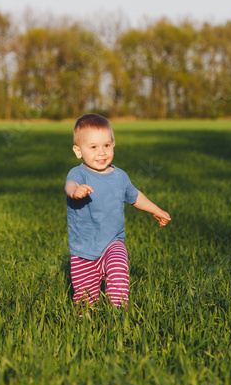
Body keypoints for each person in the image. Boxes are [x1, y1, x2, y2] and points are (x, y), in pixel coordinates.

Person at [63, 113, 170, 308]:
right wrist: (75, 191)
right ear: (78, 151)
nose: (101, 152)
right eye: (93, 147)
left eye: (106, 145)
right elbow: (69, 185)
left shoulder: (120, 176)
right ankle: (86, 331)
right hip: (83, 249)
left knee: (119, 269)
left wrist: (156, 210)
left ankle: (119, 313)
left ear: (114, 144)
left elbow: (134, 196)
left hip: (113, 242)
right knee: (86, 302)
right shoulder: (79, 174)